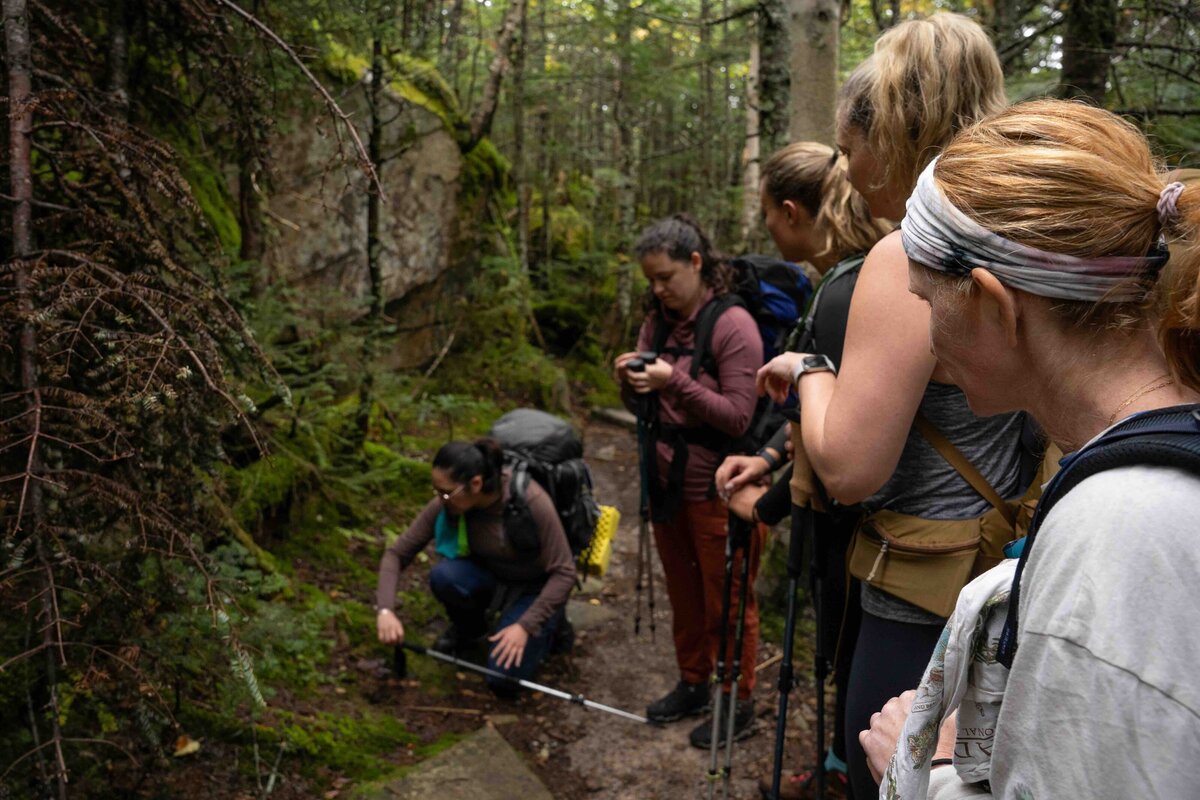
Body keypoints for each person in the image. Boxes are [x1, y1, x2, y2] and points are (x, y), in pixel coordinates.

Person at [860, 98, 1200, 798]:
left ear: (991, 303)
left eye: (928, 304)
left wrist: (926, 771)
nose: (926, 340)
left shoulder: (1118, 533)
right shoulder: (1159, 450)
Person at [754, 14, 1027, 799]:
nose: (847, 167)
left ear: (891, 136)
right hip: (1020, 571)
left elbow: (849, 467)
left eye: (849, 146)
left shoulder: (909, 251)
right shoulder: (1023, 228)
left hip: (921, 590)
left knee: (891, 765)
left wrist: (810, 372)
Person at [712, 140, 891, 798]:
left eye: (768, 216)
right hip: (854, 518)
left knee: (846, 650)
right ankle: (838, 767)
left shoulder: (848, 289)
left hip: (853, 524)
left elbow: (838, 432)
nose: (768, 230)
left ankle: (842, 776)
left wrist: (763, 506)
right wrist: (763, 460)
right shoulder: (846, 277)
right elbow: (809, 418)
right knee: (844, 650)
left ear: (791, 211)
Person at [612, 214, 766, 747]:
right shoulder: (657, 321)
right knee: (684, 593)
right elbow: (644, 404)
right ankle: (695, 682)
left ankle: (737, 700)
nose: (657, 290)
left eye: (665, 278)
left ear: (696, 263)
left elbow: (739, 416)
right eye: (650, 280)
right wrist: (630, 383)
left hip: (720, 490)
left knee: (727, 599)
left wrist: (671, 380)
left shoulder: (732, 324)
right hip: (666, 487)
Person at [375, 438, 576, 696]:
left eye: (445, 492)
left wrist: (525, 625)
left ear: (476, 484)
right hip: (491, 576)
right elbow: (396, 554)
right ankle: (471, 631)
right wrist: (385, 610)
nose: (439, 498)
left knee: (502, 681)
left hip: (535, 587)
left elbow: (565, 571)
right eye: (436, 490)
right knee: (445, 576)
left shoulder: (531, 500)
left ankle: (552, 625)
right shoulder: (450, 502)